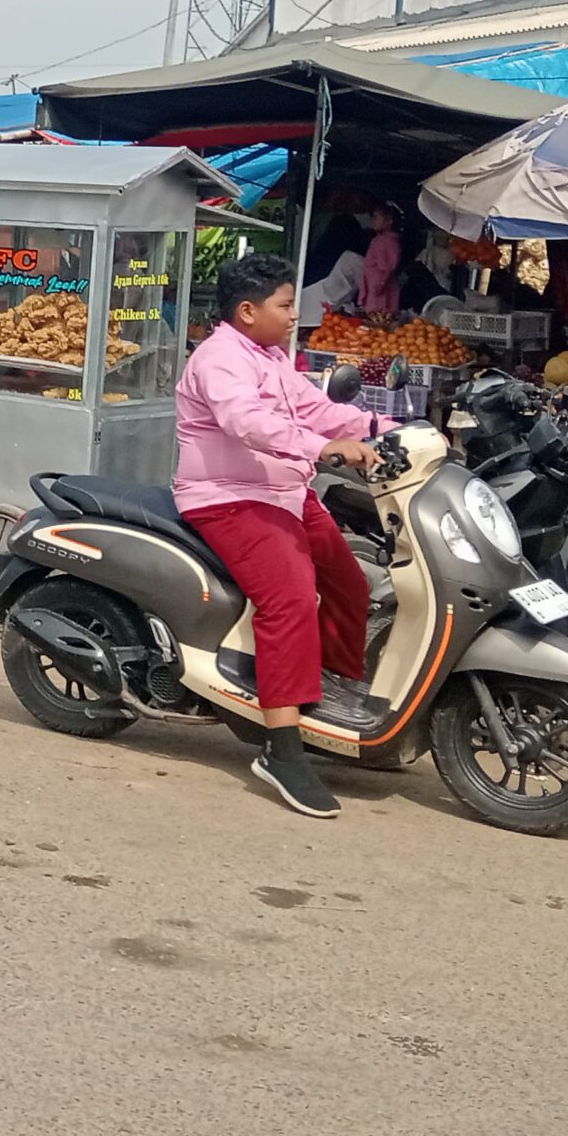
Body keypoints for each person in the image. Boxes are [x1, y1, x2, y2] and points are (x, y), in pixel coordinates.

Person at [173, 251, 384, 820]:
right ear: (247, 311)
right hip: (228, 499)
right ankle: (282, 748)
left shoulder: (269, 356)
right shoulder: (220, 359)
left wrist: (385, 430)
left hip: (285, 495)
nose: (295, 314)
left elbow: (316, 408)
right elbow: (248, 422)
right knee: (289, 601)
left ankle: (330, 701)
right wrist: (322, 449)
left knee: (350, 582)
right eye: (285, 304)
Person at [355, 202, 405, 318]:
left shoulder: (387, 241)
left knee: (378, 314)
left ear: (389, 221)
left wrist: (381, 283)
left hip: (380, 286)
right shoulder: (380, 240)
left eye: (377, 217)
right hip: (374, 283)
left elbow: (388, 266)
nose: (373, 220)